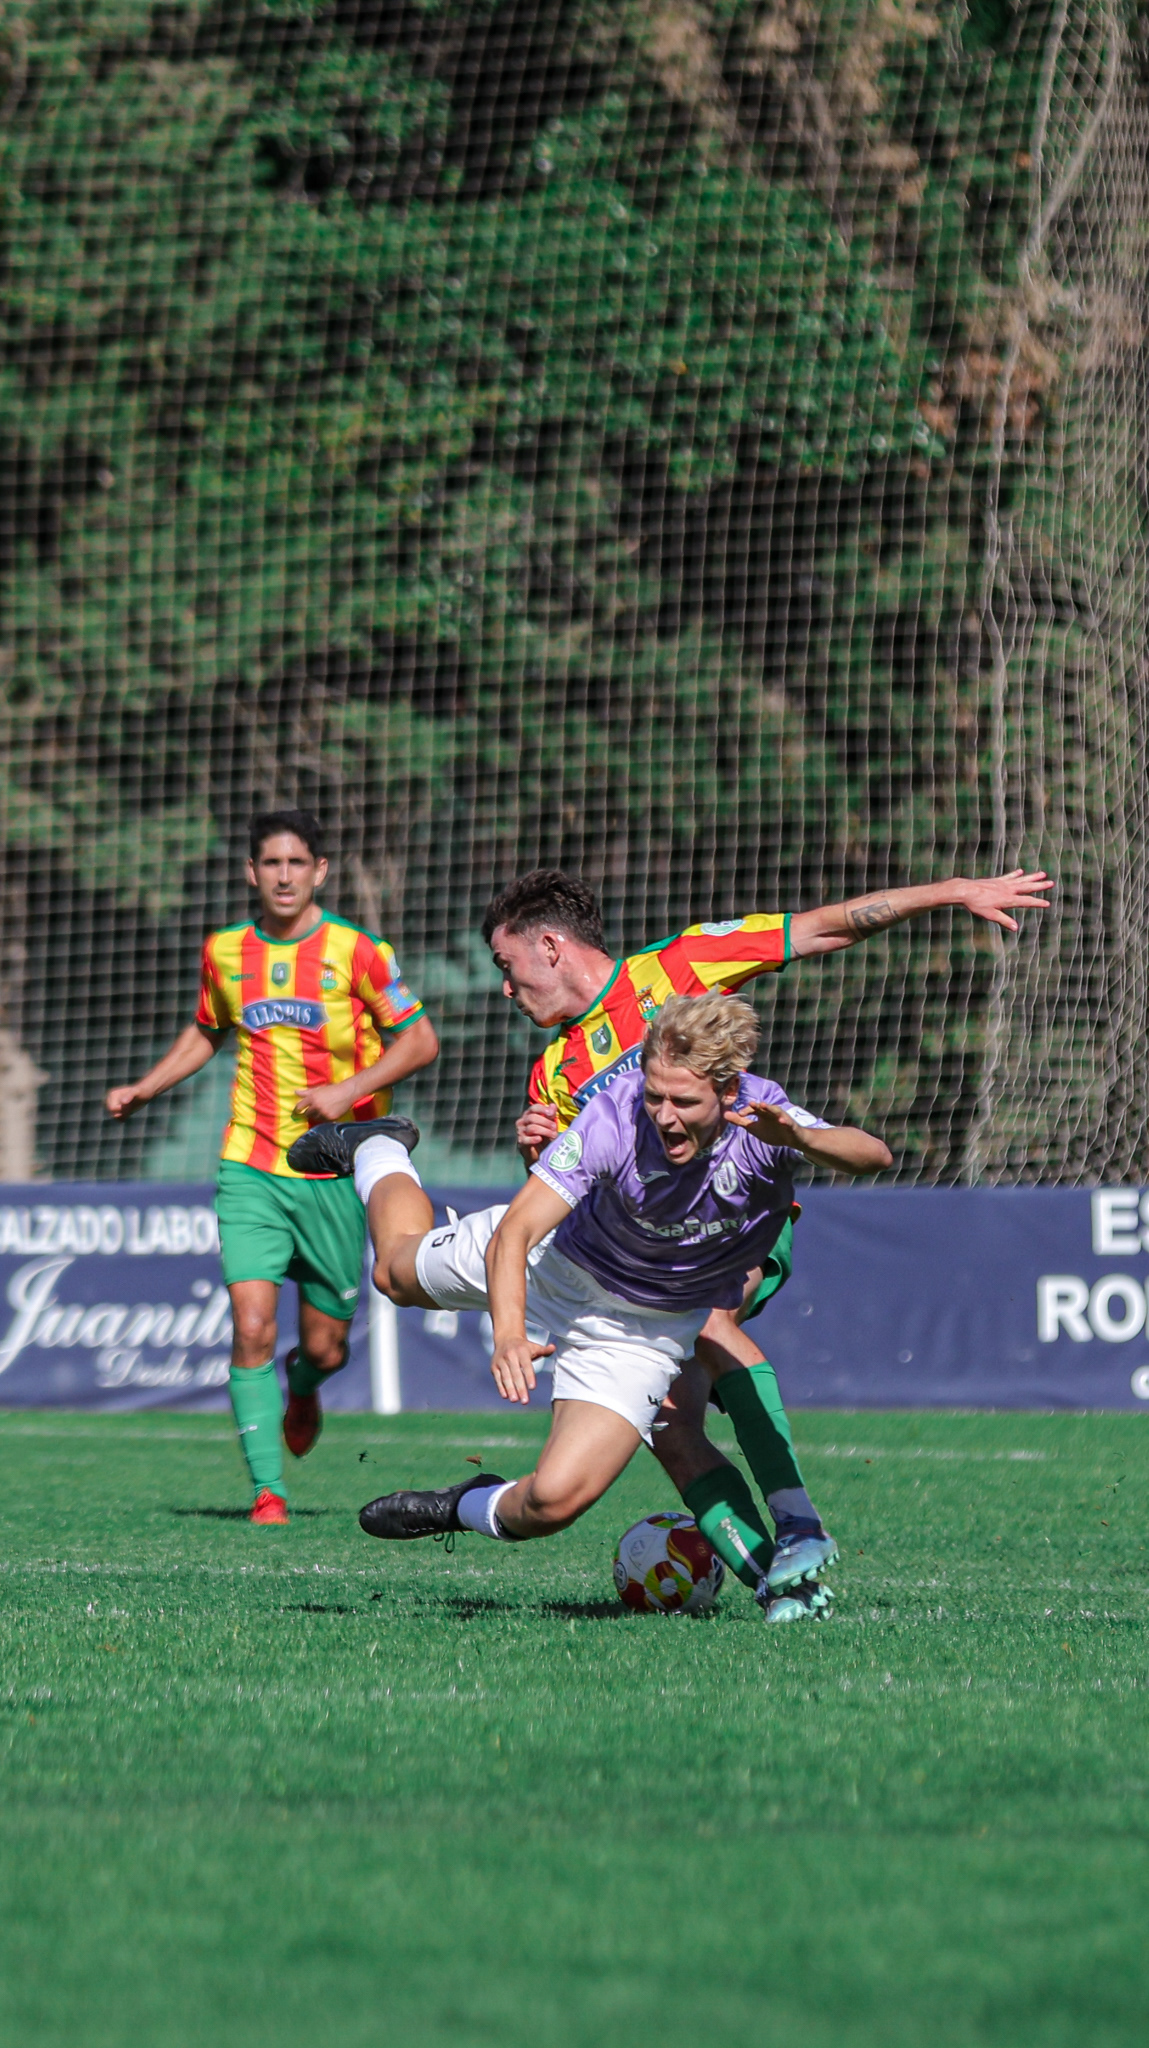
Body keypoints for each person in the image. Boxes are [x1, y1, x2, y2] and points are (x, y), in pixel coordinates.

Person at [290, 859, 1050, 1600]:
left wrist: (952, 890)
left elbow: (824, 928)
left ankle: (795, 1530)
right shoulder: (554, 1072)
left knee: (708, 1320)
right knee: (402, 1280)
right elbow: (549, 1199)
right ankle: (379, 1147)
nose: (506, 988)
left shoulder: (678, 970)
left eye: (506, 965)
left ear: (549, 945)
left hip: (716, 1238)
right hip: (593, 1261)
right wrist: (540, 1152)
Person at [353, 993, 891, 1620]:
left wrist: (799, 1137)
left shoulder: (761, 1116)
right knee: (393, 1275)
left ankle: (461, 1504)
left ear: (727, 1091)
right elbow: (516, 1233)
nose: (663, 1116)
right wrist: (509, 1335)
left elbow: (874, 1156)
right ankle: (379, 1146)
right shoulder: (615, 1113)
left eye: (682, 1102)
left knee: (551, 1504)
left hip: (640, 1332)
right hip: (555, 1266)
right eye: (655, 1095)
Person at [105, 809, 439, 1523]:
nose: (284, 876)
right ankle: (268, 1492)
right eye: (271, 863)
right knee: (252, 1324)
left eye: (297, 863)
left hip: (333, 1172)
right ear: (251, 872)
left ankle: (305, 1383)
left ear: (320, 871)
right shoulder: (225, 952)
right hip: (250, 1165)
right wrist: (146, 1087)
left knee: (327, 1347)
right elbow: (208, 1029)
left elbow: (420, 1042)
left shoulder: (358, 951)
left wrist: (347, 1093)